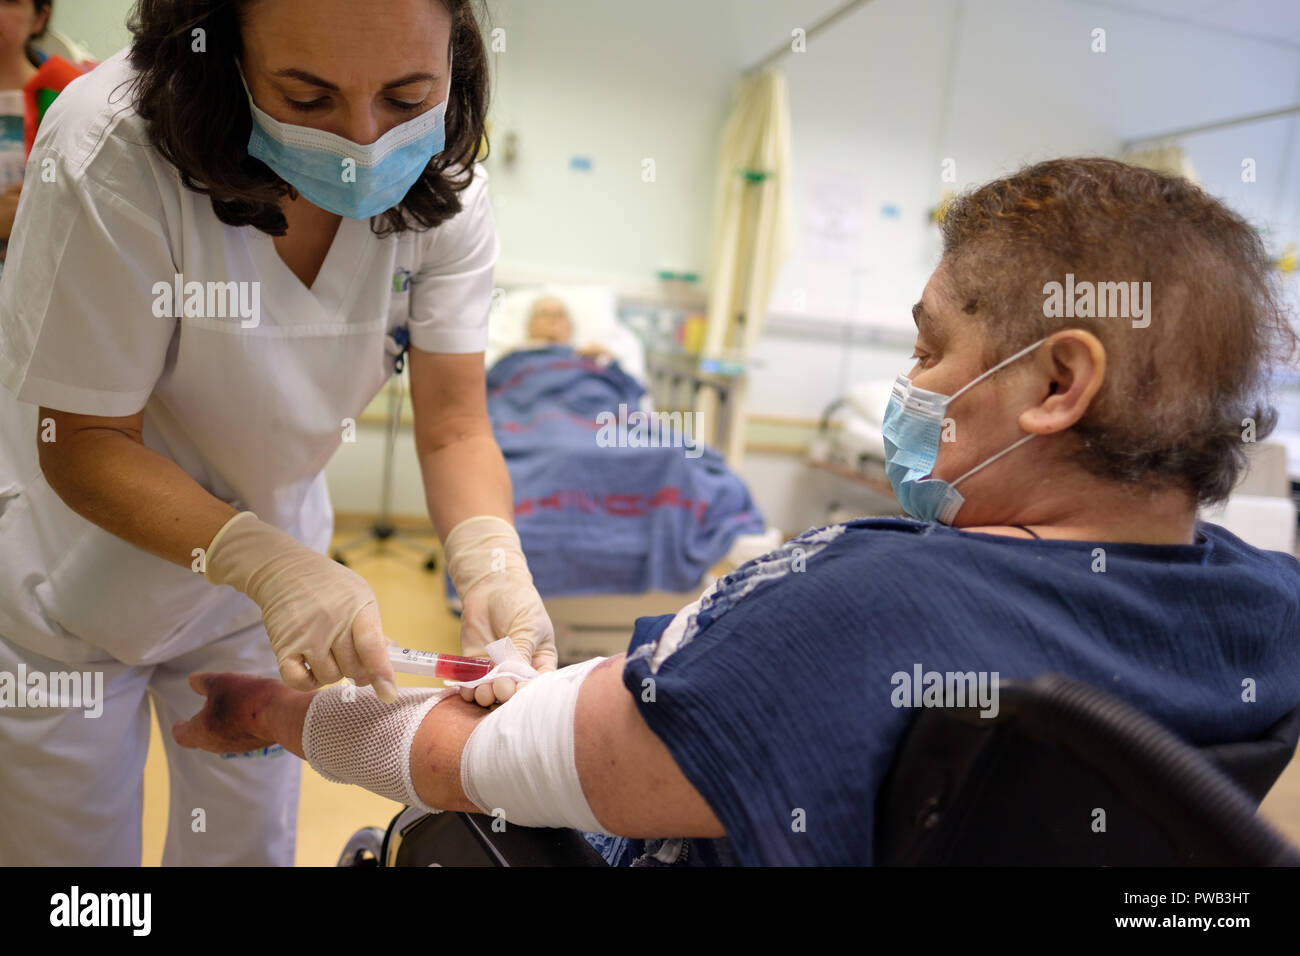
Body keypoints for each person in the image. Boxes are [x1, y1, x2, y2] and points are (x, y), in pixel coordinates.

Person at [174, 157, 1300, 865]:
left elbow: (495, 760)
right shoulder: (1273, 609)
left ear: (1058, 385)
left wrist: (278, 712)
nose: (913, 380)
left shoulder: (870, 601)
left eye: (929, 343)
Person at [0, 0, 553, 866]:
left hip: (271, 581)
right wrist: (268, 565)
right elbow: (83, 440)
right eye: (308, 99)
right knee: (72, 872)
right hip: (73, 568)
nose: (366, 141)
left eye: (407, 98)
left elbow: (452, 427)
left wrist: (491, 561)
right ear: (222, 56)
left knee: (245, 847)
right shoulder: (114, 150)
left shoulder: (445, 189)